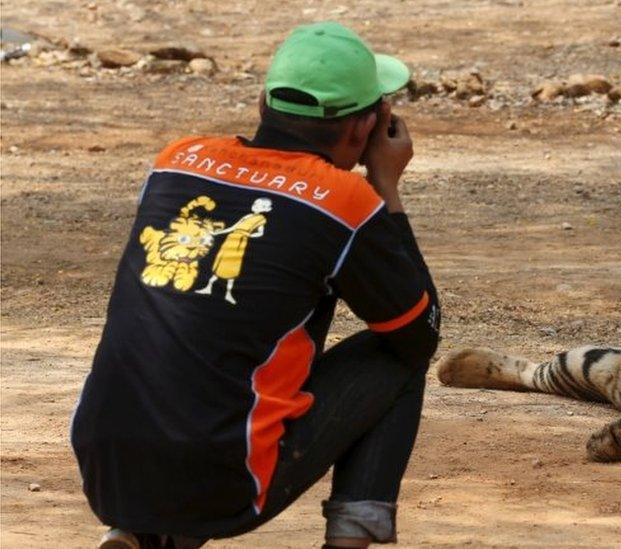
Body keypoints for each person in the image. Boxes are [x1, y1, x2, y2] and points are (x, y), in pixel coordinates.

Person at [71, 22, 440, 549]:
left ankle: (142, 536)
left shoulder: (176, 160)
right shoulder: (342, 201)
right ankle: (350, 539)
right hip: (227, 481)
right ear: (362, 131)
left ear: (263, 102)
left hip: (105, 466)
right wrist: (385, 187)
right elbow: (419, 329)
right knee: (399, 355)